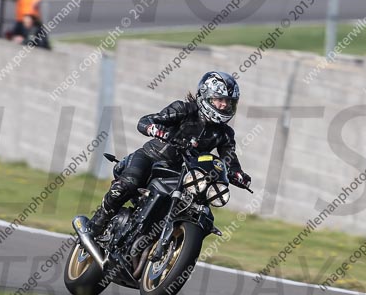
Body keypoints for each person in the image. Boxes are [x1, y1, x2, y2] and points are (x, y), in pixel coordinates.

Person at [89, 71, 252, 235]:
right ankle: (97, 222)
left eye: (229, 101)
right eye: (220, 99)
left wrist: (238, 174)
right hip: (152, 157)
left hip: (184, 173)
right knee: (128, 184)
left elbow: (229, 158)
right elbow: (146, 121)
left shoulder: (225, 133)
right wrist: (155, 129)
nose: (224, 105)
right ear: (206, 95)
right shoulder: (184, 109)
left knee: (201, 209)